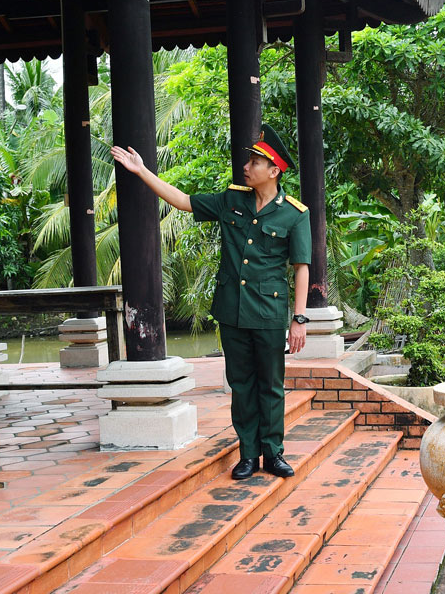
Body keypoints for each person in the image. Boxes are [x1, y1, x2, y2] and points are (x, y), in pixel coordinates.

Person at [112, 124, 312, 480]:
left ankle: (273, 454)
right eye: (249, 159)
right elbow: (184, 201)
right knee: (241, 384)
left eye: (255, 161)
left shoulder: (295, 214)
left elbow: (301, 268)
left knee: (271, 385)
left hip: (268, 312)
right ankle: (249, 453)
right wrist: (142, 171)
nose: (247, 166)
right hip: (232, 311)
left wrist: (299, 319)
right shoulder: (231, 200)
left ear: (274, 170)